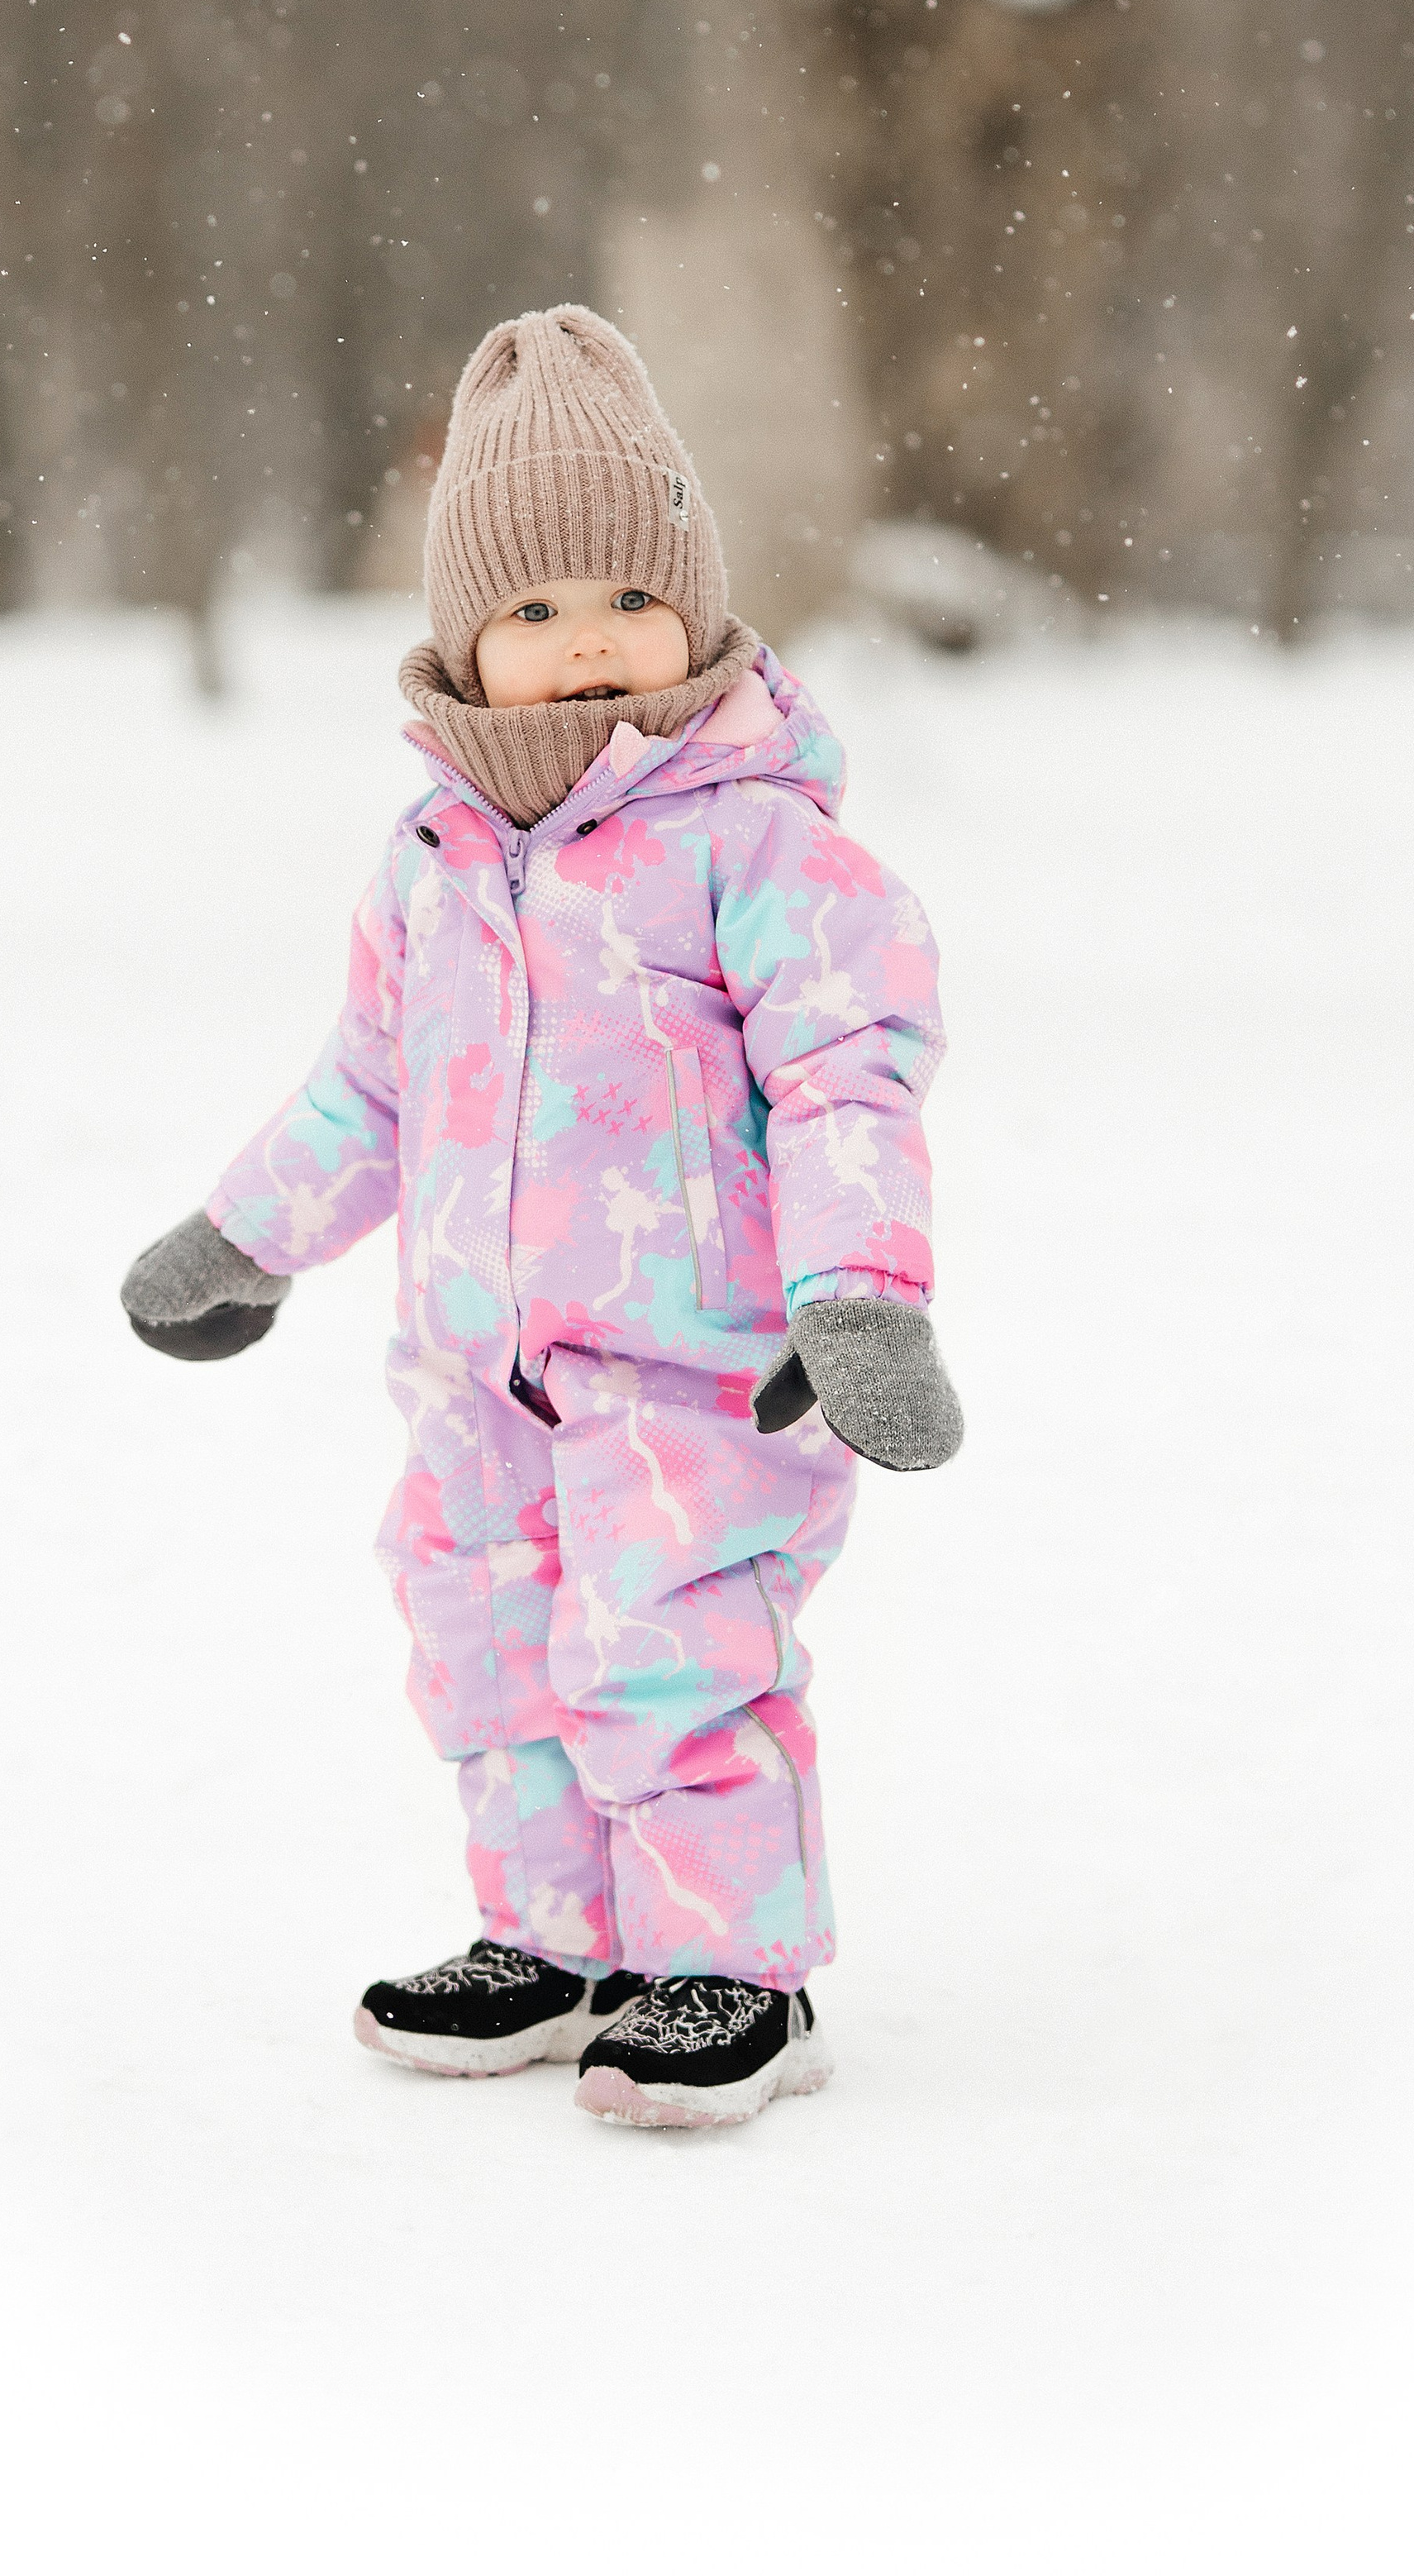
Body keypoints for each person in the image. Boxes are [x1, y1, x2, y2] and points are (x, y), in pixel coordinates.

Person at [121, 304, 962, 2131]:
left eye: (621, 595)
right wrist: (243, 1238)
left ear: (692, 610)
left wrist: (858, 1300)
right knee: (489, 1652)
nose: (584, 637)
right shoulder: (428, 868)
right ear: (460, 648)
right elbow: (367, 1090)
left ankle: (732, 1977)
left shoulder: (763, 851)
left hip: (698, 1375)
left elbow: (846, 1083)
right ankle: (557, 1941)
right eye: (529, 610)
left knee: (670, 1656)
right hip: (473, 1377)